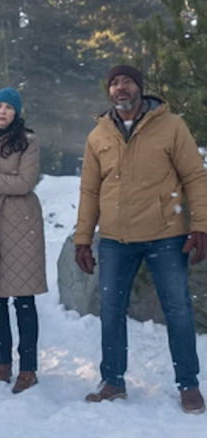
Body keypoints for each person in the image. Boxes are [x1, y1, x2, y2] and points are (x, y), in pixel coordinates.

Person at [75, 64, 207, 414]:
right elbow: (89, 190)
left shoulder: (171, 126)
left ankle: (189, 384)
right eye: (114, 83)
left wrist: (201, 226)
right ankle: (113, 381)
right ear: (109, 92)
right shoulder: (98, 136)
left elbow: (195, 176)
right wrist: (83, 239)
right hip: (116, 239)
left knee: (178, 309)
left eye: (127, 81)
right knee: (111, 311)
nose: (121, 88)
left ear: (140, 88)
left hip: (166, 236)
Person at [0, 87, 47, 394]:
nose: (2, 111)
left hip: (22, 224)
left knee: (24, 299)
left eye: (9, 107)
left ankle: (28, 367)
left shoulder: (29, 141)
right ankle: (2, 362)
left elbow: (25, 182)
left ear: (17, 112)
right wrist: (1, 177)